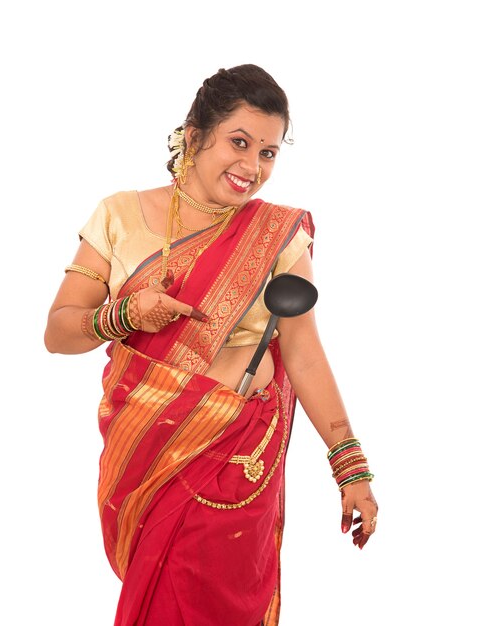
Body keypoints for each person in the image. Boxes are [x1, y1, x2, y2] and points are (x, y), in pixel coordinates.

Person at [44, 64, 378, 626]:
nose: (252, 167)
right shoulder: (121, 215)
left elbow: (303, 353)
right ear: (195, 135)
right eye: (239, 143)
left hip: (238, 462)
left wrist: (351, 467)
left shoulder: (279, 235)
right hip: (148, 456)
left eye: (269, 153)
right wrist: (126, 313)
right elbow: (58, 331)